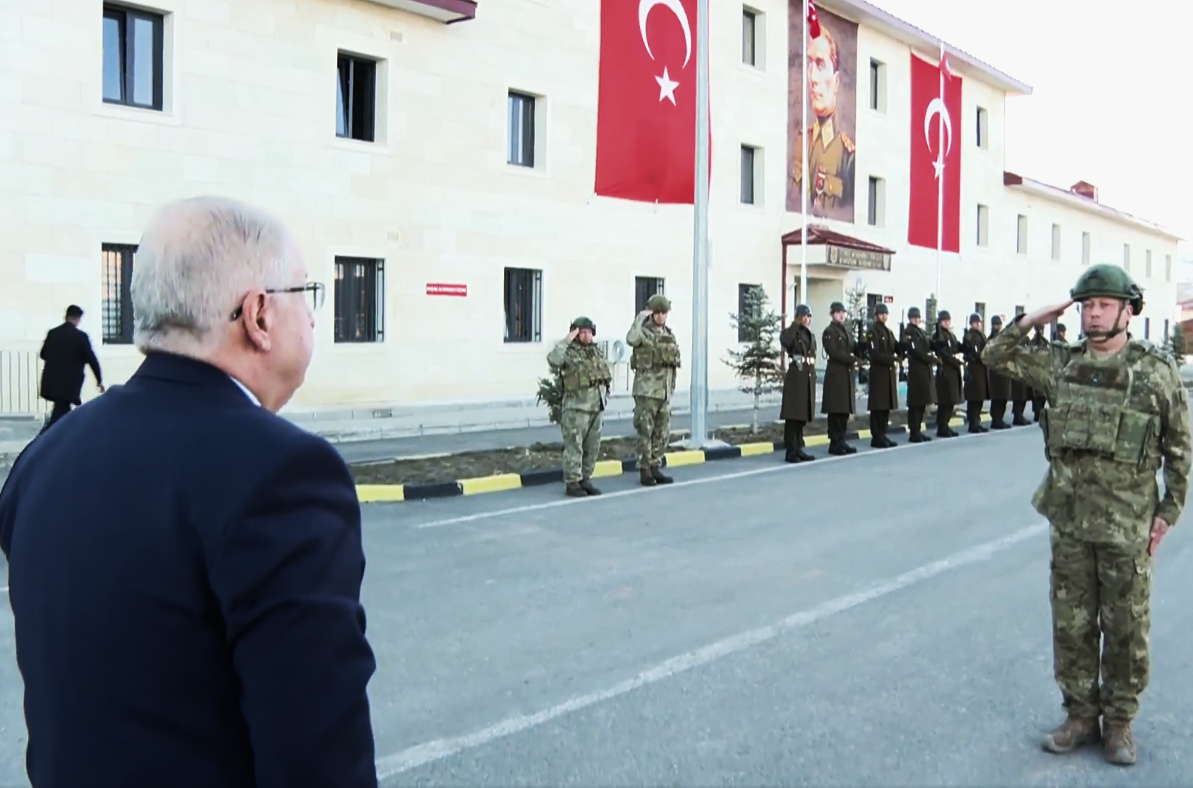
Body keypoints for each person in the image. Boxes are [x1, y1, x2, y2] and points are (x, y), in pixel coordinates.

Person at [0, 196, 378, 787]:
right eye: (305, 296)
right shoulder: (284, 473)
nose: (311, 319)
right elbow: (319, 759)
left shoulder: (45, 457)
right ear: (258, 316)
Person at [982, 263, 1191, 767]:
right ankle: (1079, 716)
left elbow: (1180, 448)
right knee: (1072, 626)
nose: (1093, 314)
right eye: (1086, 305)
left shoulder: (1154, 372)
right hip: (1071, 522)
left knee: (1125, 628)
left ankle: (1119, 724)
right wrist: (1036, 317)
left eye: (1103, 305)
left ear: (1127, 310)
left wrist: (1169, 510)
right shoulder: (1061, 364)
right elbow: (994, 355)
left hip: (1128, 526)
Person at [547, 316, 611, 496]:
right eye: (582, 332)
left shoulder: (596, 352)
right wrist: (567, 339)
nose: (586, 336)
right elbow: (553, 359)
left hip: (596, 408)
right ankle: (573, 482)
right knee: (575, 447)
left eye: (589, 332)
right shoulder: (568, 352)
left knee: (592, 447)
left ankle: (585, 478)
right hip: (576, 408)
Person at [627, 294, 680, 486]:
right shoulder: (643, 332)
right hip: (646, 392)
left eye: (663, 313)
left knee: (662, 433)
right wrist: (640, 317)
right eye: (656, 313)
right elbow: (631, 339)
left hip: (663, 393)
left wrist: (671, 390)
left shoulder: (669, 335)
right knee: (645, 432)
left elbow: (672, 366)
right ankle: (645, 470)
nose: (660, 317)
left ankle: (655, 466)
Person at [37, 304, 104, 433]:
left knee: (63, 413)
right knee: (59, 417)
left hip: (51, 381)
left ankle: (57, 438)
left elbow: (43, 354)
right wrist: (99, 380)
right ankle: (41, 441)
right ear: (78, 318)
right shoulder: (81, 337)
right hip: (69, 383)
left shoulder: (53, 333)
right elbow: (92, 359)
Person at [779, 304, 817, 462]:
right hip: (796, 376)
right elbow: (786, 341)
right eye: (804, 316)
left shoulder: (809, 334)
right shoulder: (790, 332)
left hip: (807, 376)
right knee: (793, 416)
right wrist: (795, 324)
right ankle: (790, 450)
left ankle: (799, 448)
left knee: (802, 416)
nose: (806, 319)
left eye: (808, 317)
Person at [820, 301, 859, 455]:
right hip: (836, 374)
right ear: (832, 314)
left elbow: (853, 347)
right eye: (838, 312)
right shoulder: (830, 332)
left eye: (843, 312)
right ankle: (834, 442)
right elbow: (834, 352)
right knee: (835, 410)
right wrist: (852, 359)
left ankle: (841, 439)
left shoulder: (846, 331)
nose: (841, 315)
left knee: (844, 410)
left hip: (847, 374)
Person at [865, 303, 899, 448]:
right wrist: (892, 359)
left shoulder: (888, 332)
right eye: (881, 314)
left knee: (886, 406)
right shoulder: (873, 331)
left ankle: (883, 434)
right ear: (876, 315)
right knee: (878, 406)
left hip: (888, 373)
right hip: (878, 372)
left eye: (886, 314)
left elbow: (896, 346)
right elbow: (875, 354)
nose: (884, 316)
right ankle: (876, 436)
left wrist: (903, 347)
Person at [900, 306, 936, 442]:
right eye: (914, 318)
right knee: (915, 403)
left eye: (918, 318)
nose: (916, 320)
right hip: (915, 370)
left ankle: (918, 430)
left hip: (924, 371)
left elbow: (928, 345)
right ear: (910, 319)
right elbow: (915, 351)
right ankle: (913, 431)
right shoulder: (909, 332)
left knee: (922, 403)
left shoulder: (920, 332)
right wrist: (931, 359)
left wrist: (937, 344)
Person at [930, 310, 963, 438]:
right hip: (945, 370)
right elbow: (943, 353)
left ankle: (946, 425)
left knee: (951, 401)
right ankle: (942, 426)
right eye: (944, 321)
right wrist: (956, 362)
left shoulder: (950, 335)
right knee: (945, 400)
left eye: (948, 321)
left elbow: (955, 347)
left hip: (952, 371)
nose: (947, 323)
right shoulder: (938, 335)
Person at [960, 313, 990, 434]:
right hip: (974, 369)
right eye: (975, 323)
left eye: (979, 323)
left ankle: (977, 422)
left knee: (980, 398)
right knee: (974, 398)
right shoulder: (970, 336)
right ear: (971, 324)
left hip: (981, 369)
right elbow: (974, 352)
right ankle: (973, 423)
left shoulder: (981, 335)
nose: (978, 325)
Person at [985, 315, 1012, 429]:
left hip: (1004, 371)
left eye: (999, 324)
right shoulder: (991, 339)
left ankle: (1000, 418)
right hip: (995, 373)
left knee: (1003, 398)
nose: (998, 326)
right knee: (997, 398)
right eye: (996, 325)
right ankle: (996, 419)